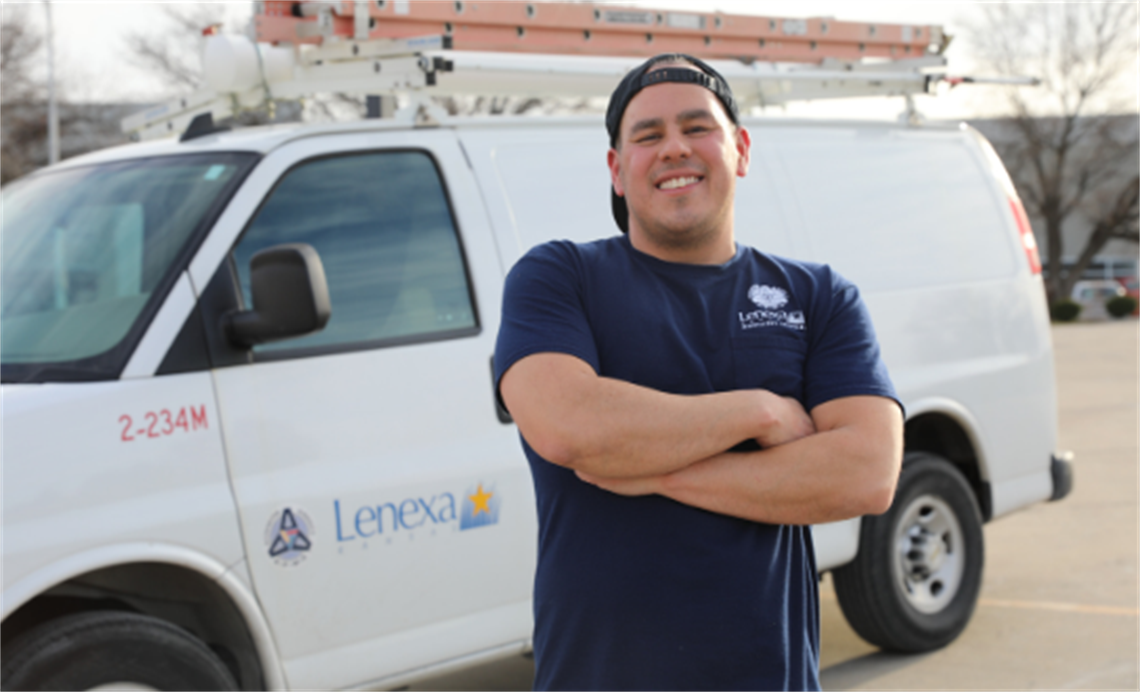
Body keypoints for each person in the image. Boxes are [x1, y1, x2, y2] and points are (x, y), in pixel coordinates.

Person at [493, 53, 904, 692]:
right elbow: (570, 427)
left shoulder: (819, 295)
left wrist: (646, 466)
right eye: (648, 136)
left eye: (696, 128)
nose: (674, 148)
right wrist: (761, 413)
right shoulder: (559, 278)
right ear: (617, 170)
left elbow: (867, 473)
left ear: (739, 149)